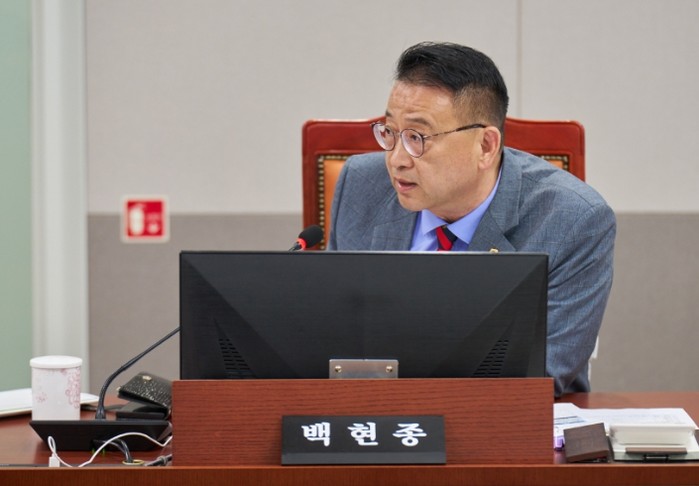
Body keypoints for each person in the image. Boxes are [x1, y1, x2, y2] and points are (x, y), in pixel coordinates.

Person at [327, 41, 616, 396]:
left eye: (417, 137)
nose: (397, 160)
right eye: (390, 132)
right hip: (372, 410)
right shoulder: (361, 184)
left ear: (485, 146)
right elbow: (334, 334)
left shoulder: (574, 219)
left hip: (501, 416)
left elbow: (544, 371)